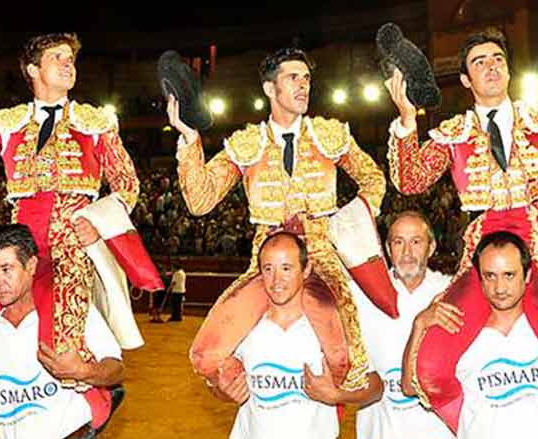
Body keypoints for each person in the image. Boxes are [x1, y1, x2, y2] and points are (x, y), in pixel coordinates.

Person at [385, 26, 538, 439]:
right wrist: (406, 119)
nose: (490, 67)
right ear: (465, 80)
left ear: (508, 71)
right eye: (479, 62)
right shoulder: (454, 133)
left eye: (497, 60)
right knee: (431, 368)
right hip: (483, 254)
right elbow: (410, 180)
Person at [168, 46, 395, 392]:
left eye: (306, 78)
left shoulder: (328, 135)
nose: (303, 85)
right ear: (270, 88)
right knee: (206, 354)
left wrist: (349, 222)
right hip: (268, 262)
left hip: (320, 256)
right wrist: (189, 138)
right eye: (293, 78)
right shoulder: (247, 143)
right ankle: (257, 395)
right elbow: (200, 201)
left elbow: (373, 179)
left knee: (344, 359)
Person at [0, 33, 141, 378]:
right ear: (33, 69)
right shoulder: (9, 123)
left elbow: (127, 185)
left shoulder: (96, 123)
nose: (69, 64)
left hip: (72, 246)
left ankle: (92, 408)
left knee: (64, 351)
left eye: (71, 58)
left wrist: (99, 222)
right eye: (58, 57)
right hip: (17, 247)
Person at [405, 231, 538, 439]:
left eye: (509, 275)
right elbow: (409, 387)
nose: (500, 287)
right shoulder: (458, 333)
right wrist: (419, 325)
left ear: (527, 275)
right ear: (479, 279)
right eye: (490, 276)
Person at [214, 232, 383, 439]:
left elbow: (375, 386)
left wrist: (335, 394)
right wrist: (222, 391)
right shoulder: (243, 324)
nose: (276, 280)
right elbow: (219, 384)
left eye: (286, 268)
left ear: (306, 270)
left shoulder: (331, 325)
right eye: (268, 269)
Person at [0, 224, 123, 439]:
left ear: (31, 265)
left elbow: (115, 369)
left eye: (6, 269)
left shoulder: (68, 310)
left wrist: (83, 371)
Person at [352, 211, 455, 439]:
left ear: (431, 247)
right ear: (387, 249)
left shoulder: (450, 292)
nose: (407, 252)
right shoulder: (362, 292)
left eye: (416, 242)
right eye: (398, 242)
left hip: (439, 438)